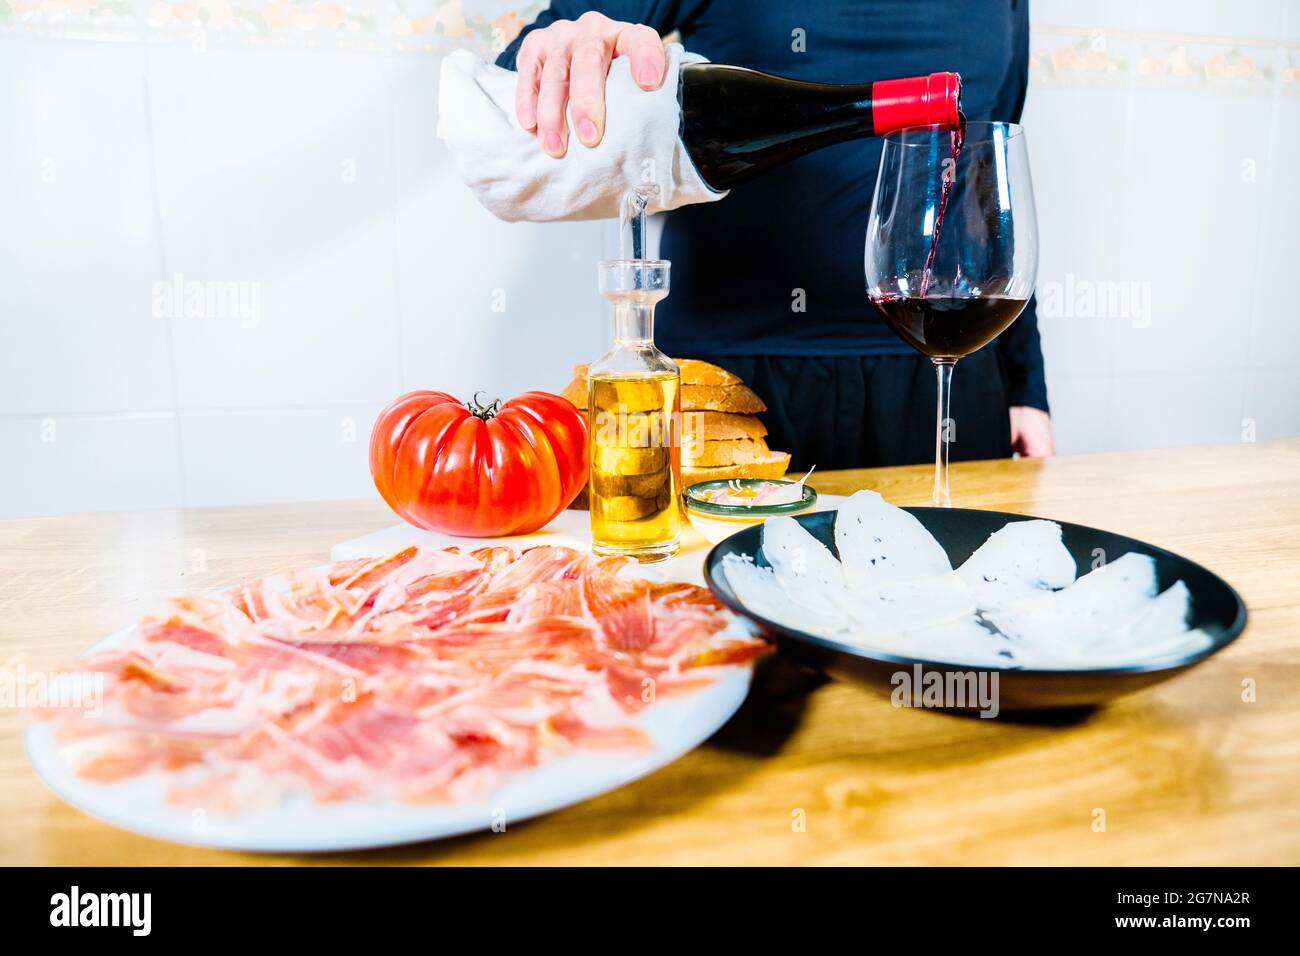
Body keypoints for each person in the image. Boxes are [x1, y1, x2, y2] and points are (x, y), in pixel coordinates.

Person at [497, 1, 1053, 469]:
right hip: (729, 382)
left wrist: (1027, 388)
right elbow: (512, 99)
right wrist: (570, 51)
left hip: (949, 373)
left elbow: (994, 176)